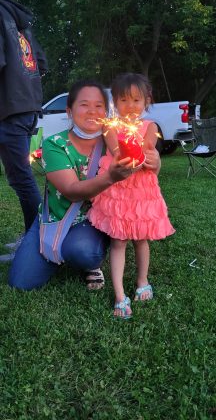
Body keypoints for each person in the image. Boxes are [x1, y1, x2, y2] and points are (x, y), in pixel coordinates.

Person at [8, 79, 161, 291]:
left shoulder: (113, 140)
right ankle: (48, 245)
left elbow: (142, 164)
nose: (92, 111)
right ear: (69, 110)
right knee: (21, 282)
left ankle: (90, 262)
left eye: (99, 106)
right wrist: (110, 177)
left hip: (93, 221)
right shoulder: (55, 144)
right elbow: (71, 192)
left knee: (84, 252)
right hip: (55, 216)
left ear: (107, 111)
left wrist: (156, 162)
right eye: (84, 104)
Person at [88, 73, 175, 319]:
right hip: (118, 190)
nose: (130, 106)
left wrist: (151, 159)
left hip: (142, 193)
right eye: (124, 100)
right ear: (115, 102)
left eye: (136, 100)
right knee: (118, 241)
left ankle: (142, 281)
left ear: (147, 101)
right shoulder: (109, 126)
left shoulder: (151, 127)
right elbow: (118, 151)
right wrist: (132, 157)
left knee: (141, 239)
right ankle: (118, 294)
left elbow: (148, 152)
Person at [0, 0, 48, 237]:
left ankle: (38, 238)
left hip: (9, 108)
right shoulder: (18, 17)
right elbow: (41, 62)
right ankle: (35, 235)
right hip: (26, 106)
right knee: (21, 177)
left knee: (21, 179)